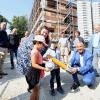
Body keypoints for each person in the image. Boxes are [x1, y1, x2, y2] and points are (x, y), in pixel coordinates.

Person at [25, 35, 50, 100]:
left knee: (37, 90)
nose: (43, 47)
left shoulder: (37, 51)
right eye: (42, 45)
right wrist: (44, 68)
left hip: (36, 72)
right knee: (35, 91)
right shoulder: (35, 52)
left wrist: (44, 58)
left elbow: (38, 59)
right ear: (38, 43)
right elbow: (34, 64)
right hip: (34, 73)